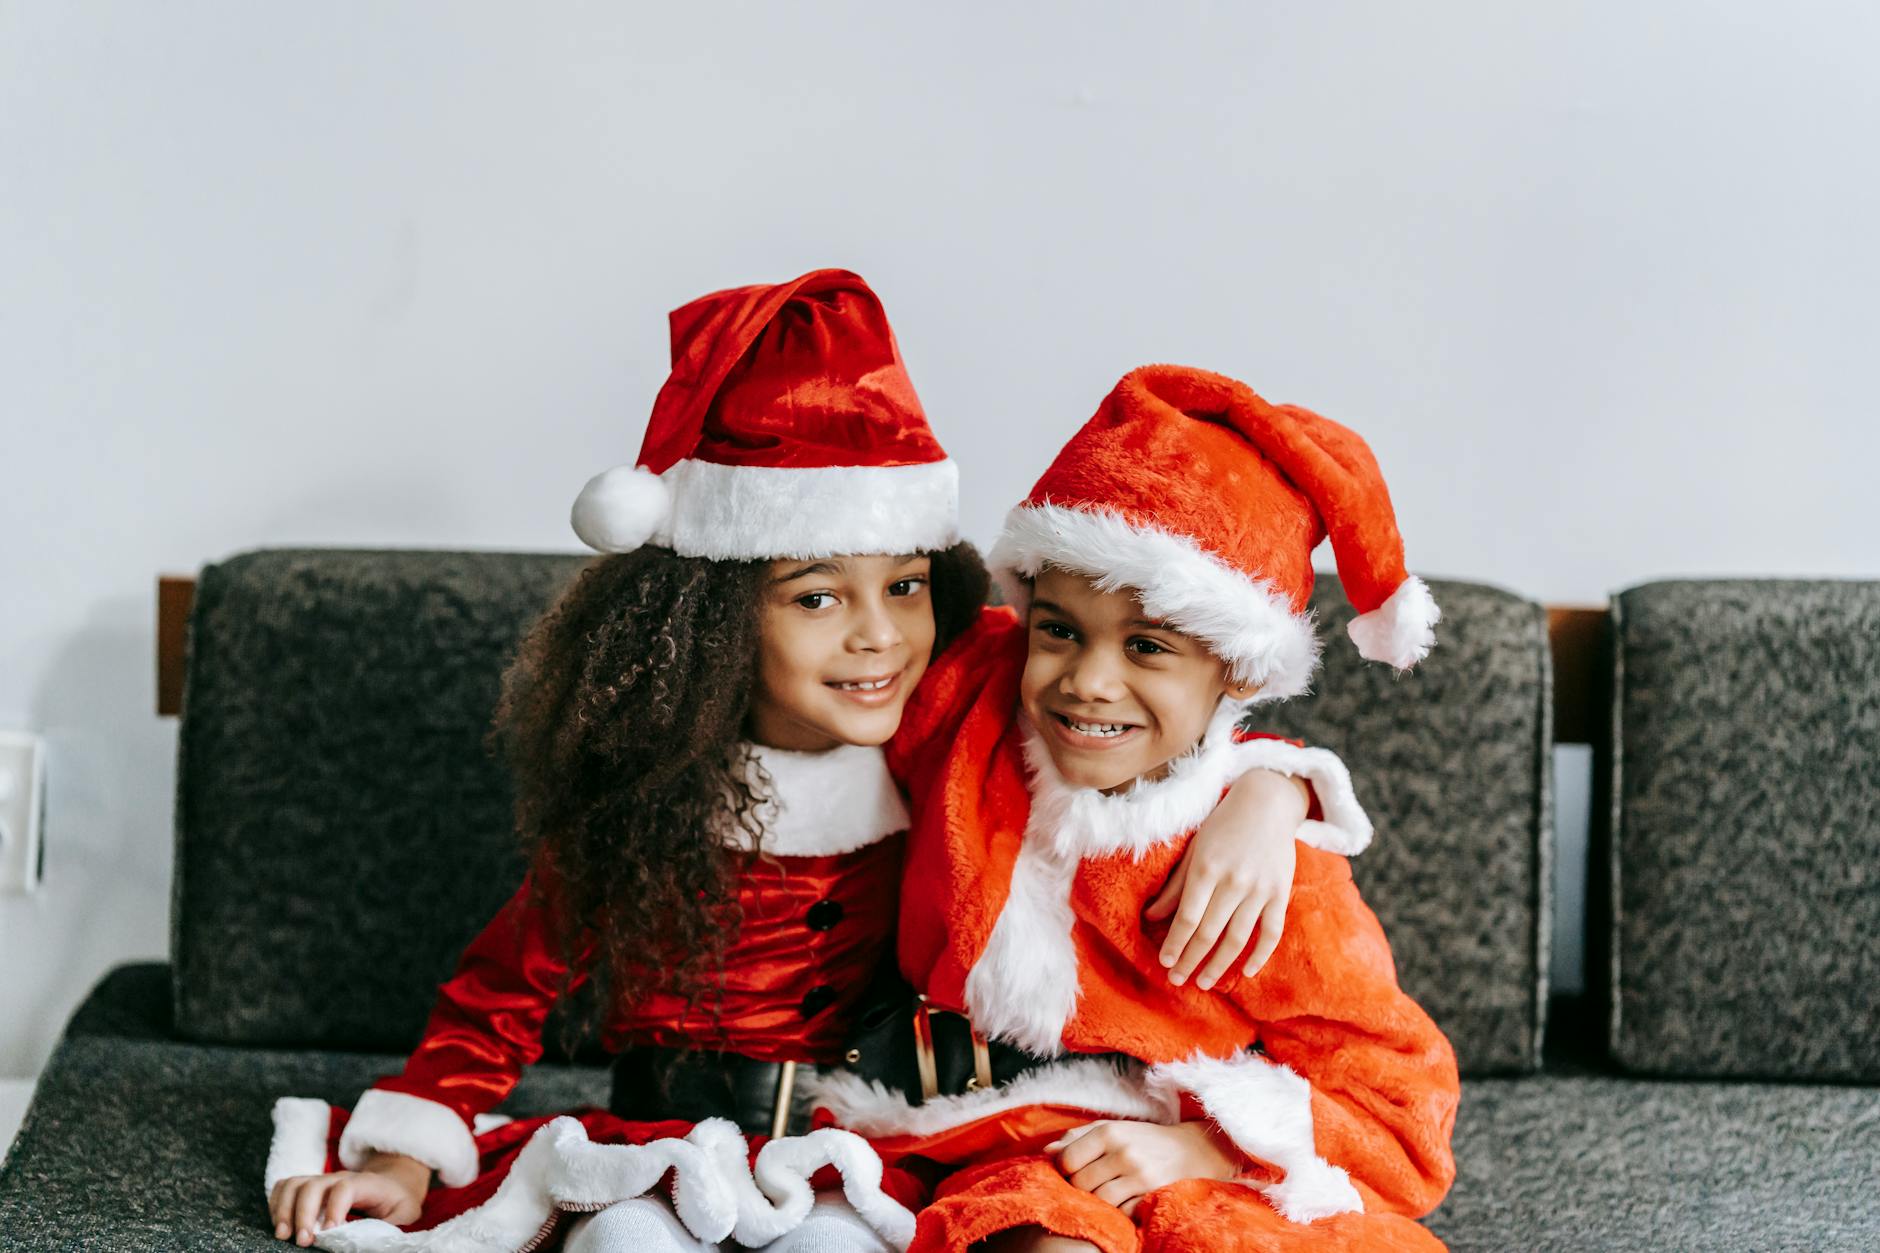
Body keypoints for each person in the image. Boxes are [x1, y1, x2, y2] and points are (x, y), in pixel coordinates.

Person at [262, 284, 1323, 1253]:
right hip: (653, 1140)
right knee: (622, 1246)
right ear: (716, 620)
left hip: (850, 1154)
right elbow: (500, 991)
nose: (877, 638)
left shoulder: (945, 732)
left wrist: (1270, 790)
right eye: (816, 596)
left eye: (905, 587)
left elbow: (1142, 712)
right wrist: (406, 1153)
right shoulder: (645, 802)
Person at [803, 364, 1461, 1252]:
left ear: (1238, 670)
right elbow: (844, 599)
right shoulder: (972, 701)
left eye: (1148, 646)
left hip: (1184, 1161)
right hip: (978, 1147)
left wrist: (1209, 1147)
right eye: (1060, 629)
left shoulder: (1274, 869)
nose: (1087, 681)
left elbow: (1401, 1110)